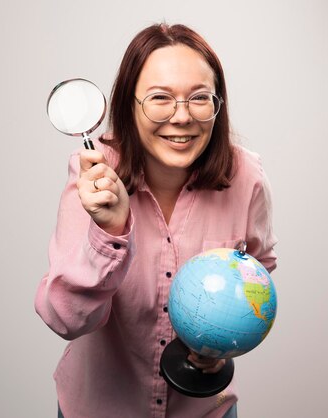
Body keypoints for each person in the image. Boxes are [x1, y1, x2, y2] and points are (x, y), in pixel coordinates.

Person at [35, 23, 277, 418]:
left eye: (200, 97)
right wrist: (109, 231)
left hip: (205, 411)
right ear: (129, 105)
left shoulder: (247, 178)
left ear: (218, 104)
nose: (182, 118)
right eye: (160, 98)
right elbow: (63, 319)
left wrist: (219, 347)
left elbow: (257, 276)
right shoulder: (93, 178)